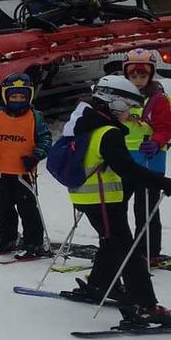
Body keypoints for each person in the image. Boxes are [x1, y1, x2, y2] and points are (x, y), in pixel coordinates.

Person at [61, 76, 171, 326]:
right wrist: (164, 183)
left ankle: (99, 285)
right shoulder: (108, 132)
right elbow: (127, 169)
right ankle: (144, 306)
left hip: (88, 196)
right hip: (102, 199)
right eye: (128, 107)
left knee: (112, 243)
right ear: (115, 103)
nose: (129, 114)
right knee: (127, 251)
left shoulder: (84, 121)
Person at [0, 73, 51, 257]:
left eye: (22, 97)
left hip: (23, 171)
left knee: (27, 209)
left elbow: (46, 139)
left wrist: (36, 156)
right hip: (1, 169)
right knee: (3, 207)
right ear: (6, 96)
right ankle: (7, 238)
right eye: (13, 96)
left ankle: (33, 242)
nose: (18, 100)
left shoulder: (35, 116)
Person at [120, 49, 171, 264]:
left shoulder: (158, 99)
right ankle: (121, 245)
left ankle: (149, 250)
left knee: (146, 209)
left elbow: (166, 126)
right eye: (133, 76)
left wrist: (157, 141)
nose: (138, 81)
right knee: (118, 205)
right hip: (124, 161)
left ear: (150, 75)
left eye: (142, 76)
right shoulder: (120, 96)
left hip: (150, 160)